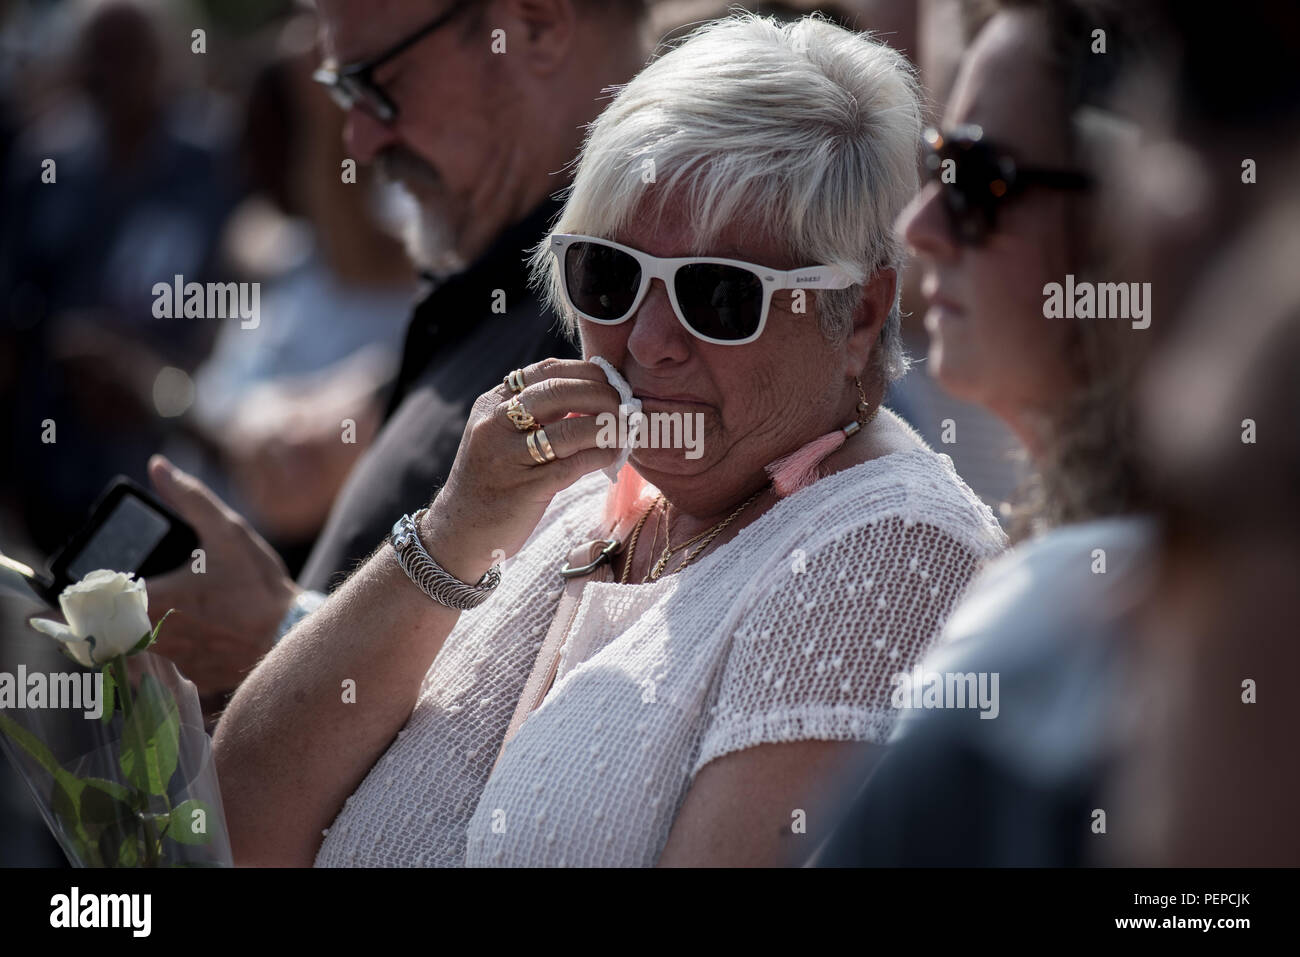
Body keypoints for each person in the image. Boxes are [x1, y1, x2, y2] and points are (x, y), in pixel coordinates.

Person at [212, 13, 1007, 867]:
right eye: (609, 273)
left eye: (720, 294)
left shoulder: (889, 549)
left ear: (861, 316)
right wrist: (453, 529)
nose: (648, 337)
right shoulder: (573, 502)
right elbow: (238, 825)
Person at [139, 0, 651, 701]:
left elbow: (551, 723)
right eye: (341, 96)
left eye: (376, 83)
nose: (360, 140)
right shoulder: (511, 277)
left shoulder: (642, 310)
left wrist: (278, 632)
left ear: (535, 23)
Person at [815, 0, 1155, 865]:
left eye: (974, 178)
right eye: (931, 165)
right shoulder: (1081, 564)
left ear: (1140, 223)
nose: (915, 227)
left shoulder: (1098, 596)